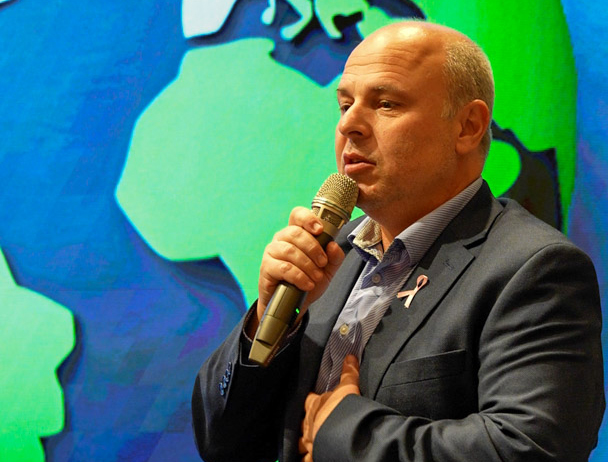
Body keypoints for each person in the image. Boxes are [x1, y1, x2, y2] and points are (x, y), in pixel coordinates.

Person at [191, 21, 605, 462]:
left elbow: (530, 448)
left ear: (467, 126)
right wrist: (267, 319)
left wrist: (343, 431)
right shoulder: (330, 252)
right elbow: (222, 442)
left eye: (386, 103)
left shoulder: (534, 269)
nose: (349, 124)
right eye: (344, 104)